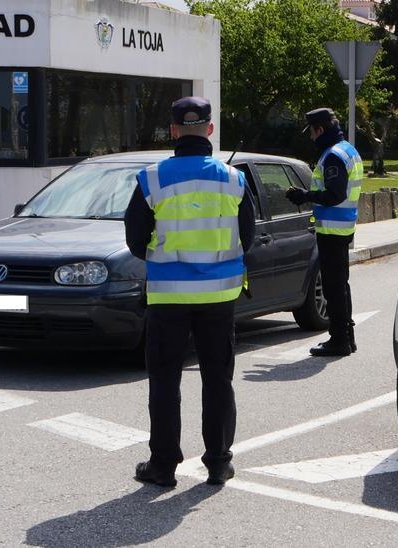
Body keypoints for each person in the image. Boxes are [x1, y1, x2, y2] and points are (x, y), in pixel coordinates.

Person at [123, 97, 256, 488]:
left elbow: (134, 240)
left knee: (164, 380)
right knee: (218, 378)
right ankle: (217, 463)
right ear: (210, 130)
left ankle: (163, 466)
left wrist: (162, 253)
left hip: (168, 297)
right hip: (218, 297)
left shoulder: (153, 179)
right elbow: (246, 237)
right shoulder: (234, 179)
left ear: (174, 131)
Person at [286, 108, 363, 357]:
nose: (310, 137)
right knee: (341, 284)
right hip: (343, 227)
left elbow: (334, 194)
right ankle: (347, 338)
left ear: (319, 129)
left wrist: (304, 196)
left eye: (311, 132)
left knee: (333, 287)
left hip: (333, 230)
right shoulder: (347, 149)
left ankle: (339, 339)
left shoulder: (333, 157)